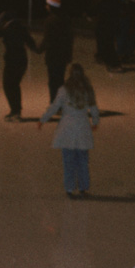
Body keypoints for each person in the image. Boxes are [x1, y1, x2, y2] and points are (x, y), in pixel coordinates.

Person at [38, 63, 99, 197]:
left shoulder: (64, 90)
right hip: (82, 127)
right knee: (82, 161)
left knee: (68, 161)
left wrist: (43, 119)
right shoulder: (88, 90)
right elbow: (94, 108)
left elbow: (54, 107)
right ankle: (83, 187)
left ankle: (70, 188)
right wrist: (95, 122)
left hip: (67, 129)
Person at [0, 10, 37, 121]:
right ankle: (16, 110)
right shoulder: (21, 27)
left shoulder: (8, 28)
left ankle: (15, 111)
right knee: (14, 85)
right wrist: (38, 49)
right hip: (22, 59)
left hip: (12, 60)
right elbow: (31, 42)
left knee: (8, 85)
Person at [34, 0, 73, 102]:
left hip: (53, 55)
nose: (46, 6)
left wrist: (39, 49)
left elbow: (47, 39)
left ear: (51, 7)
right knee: (60, 80)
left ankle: (55, 103)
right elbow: (70, 38)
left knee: (53, 81)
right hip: (63, 54)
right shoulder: (65, 19)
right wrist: (69, 54)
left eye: (47, 5)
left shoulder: (50, 21)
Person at [93, 0, 123, 73]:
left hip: (105, 26)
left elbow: (97, 10)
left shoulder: (105, 0)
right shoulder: (116, 0)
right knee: (108, 45)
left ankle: (114, 64)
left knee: (107, 45)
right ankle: (109, 61)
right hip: (110, 26)